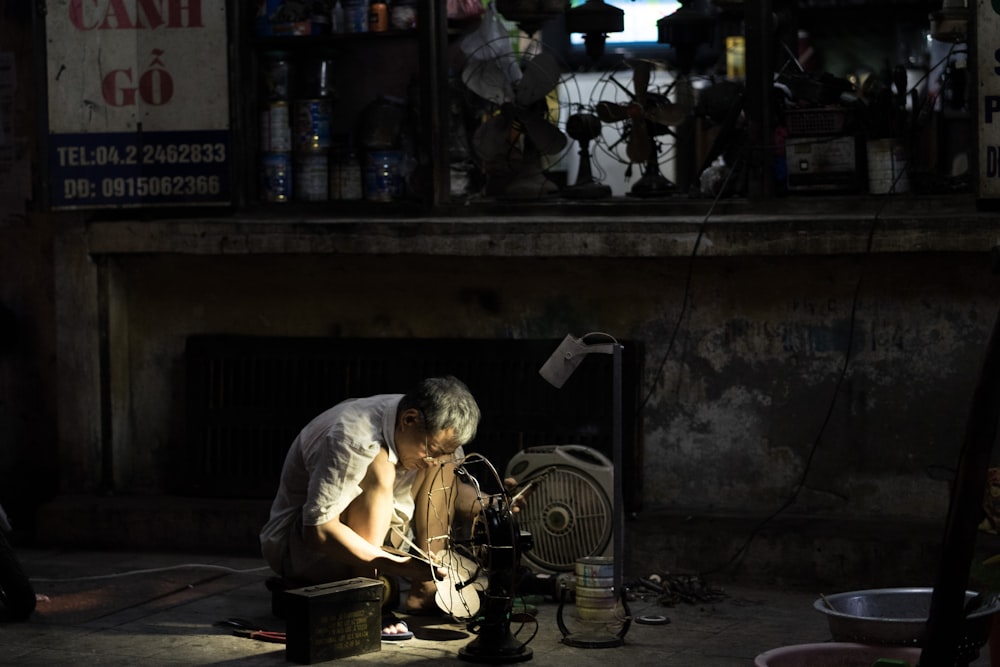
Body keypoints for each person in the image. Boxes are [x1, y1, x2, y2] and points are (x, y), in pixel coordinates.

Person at [260, 375, 482, 638]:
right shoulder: (354, 437)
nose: (432, 459)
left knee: (445, 465)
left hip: (378, 540)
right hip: (302, 548)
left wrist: (489, 503)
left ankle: (425, 588)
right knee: (380, 463)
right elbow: (318, 531)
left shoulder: (425, 437)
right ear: (409, 420)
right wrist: (399, 565)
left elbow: (450, 491)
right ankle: (365, 597)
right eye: (430, 449)